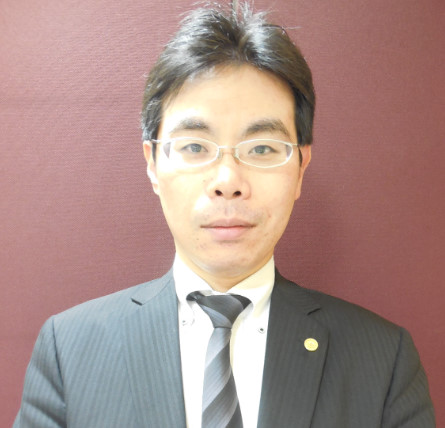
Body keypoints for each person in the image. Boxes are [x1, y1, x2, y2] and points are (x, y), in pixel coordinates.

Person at [14, 3, 435, 428]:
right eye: (195, 147)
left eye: (262, 148)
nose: (228, 181)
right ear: (152, 165)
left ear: (301, 167)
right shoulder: (69, 350)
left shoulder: (383, 361)